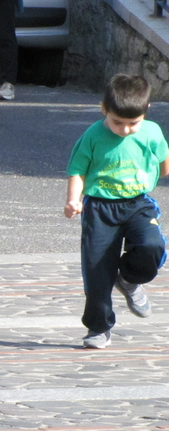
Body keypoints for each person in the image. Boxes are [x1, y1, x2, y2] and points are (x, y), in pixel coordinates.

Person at [64, 74, 168, 349]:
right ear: (104, 110)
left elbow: (164, 164)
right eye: (117, 122)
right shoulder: (93, 135)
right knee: (97, 272)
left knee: (151, 245)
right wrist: (73, 200)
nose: (124, 130)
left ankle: (130, 279)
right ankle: (98, 327)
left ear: (145, 111)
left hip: (138, 204)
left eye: (133, 123)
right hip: (99, 208)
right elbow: (78, 171)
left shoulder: (152, 132)